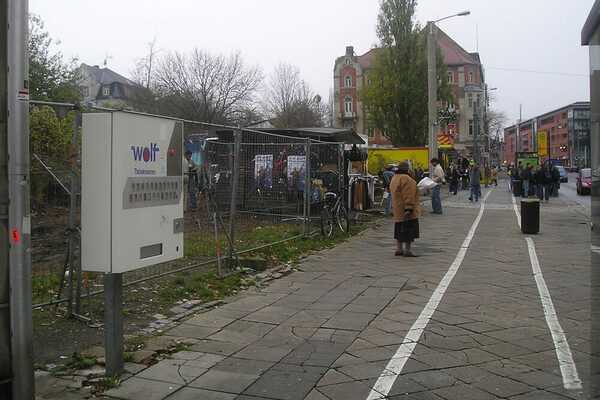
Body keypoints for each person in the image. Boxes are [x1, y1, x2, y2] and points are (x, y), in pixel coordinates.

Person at [390, 162, 420, 257]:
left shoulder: (395, 178)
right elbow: (409, 194)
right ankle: (408, 250)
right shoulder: (406, 178)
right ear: (407, 169)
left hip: (397, 208)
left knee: (399, 228)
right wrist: (409, 207)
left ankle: (399, 249)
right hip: (405, 208)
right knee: (408, 229)